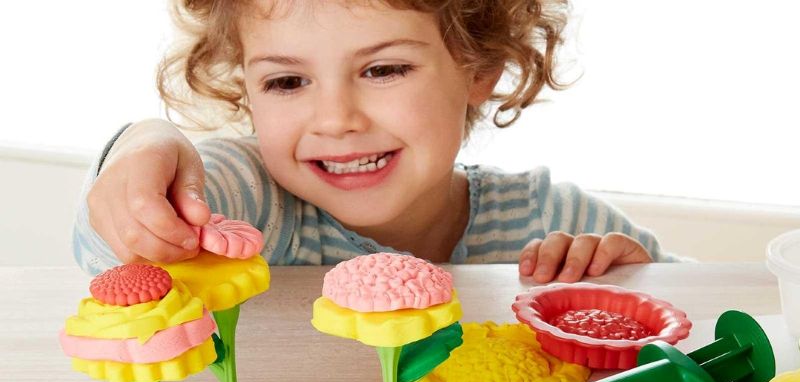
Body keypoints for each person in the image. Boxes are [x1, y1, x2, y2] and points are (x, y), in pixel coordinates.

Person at [74, 0, 681, 283]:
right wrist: (146, 143)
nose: (335, 119)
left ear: (478, 69)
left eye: (383, 70)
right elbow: (111, 251)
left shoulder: (553, 223)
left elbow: (718, 334)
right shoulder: (256, 207)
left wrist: (640, 287)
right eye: (287, 81)